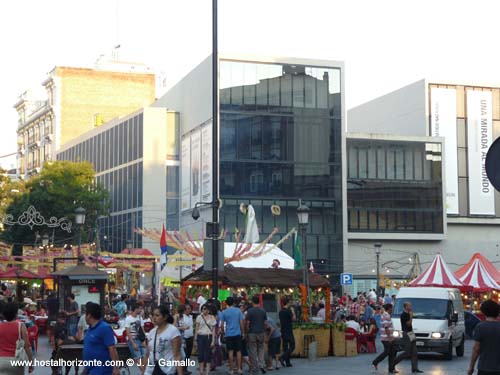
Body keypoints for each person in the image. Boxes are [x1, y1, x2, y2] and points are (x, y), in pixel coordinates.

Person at [144, 305, 183, 375]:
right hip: (150, 370)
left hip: (167, 371)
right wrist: (143, 372)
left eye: (157, 315)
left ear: (165, 317)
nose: (154, 318)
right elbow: (147, 354)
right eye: (153, 315)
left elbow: (177, 355)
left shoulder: (173, 332)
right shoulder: (151, 332)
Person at [83, 302, 120, 375]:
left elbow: (112, 348)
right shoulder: (89, 330)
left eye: (85, 314)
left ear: (89, 315)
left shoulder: (104, 328)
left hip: (101, 370)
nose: (84, 316)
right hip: (90, 369)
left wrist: (116, 368)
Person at [0, 303, 34, 375]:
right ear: (16, 314)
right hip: (17, 361)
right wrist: (31, 363)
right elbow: (27, 346)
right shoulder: (21, 326)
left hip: (1, 361)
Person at [468, 299, 500, 375]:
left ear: (484, 312)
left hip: (484, 367)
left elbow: (476, 349)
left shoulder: (480, 327)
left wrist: (471, 367)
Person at [394, 302, 422, 373]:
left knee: (414, 352)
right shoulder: (404, 315)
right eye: (409, 305)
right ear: (406, 306)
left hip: (411, 333)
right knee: (407, 352)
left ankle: (415, 368)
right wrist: (411, 316)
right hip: (406, 333)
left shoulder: (408, 313)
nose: (411, 307)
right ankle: (393, 363)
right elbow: (409, 324)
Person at [221, 297, 245, 375]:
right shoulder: (238, 311)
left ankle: (231, 370)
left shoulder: (224, 312)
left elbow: (221, 325)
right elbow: (241, 323)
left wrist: (223, 332)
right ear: (234, 303)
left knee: (230, 352)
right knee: (238, 351)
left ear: (227, 303)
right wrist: (243, 332)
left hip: (228, 334)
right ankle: (239, 369)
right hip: (237, 333)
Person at [372, 304, 397, 373]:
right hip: (386, 338)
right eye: (392, 308)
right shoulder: (386, 316)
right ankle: (375, 362)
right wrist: (390, 338)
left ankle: (391, 369)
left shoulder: (386, 315)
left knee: (392, 352)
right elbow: (386, 327)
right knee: (387, 352)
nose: (392, 310)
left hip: (387, 337)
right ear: (389, 308)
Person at [246, 295, 267, 374]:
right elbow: (265, 323)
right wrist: (263, 330)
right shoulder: (263, 311)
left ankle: (255, 367)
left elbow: (247, 323)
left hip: (252, 333)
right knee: (261, 349)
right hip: (261, 332)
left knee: (253, 351)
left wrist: (247, 331)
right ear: (259, 302)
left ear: (252, 302)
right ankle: (262, 365)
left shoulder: (250, 311)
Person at [195, 303, 216, 375]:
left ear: (208, 310)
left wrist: (213, 340)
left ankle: (207, 372)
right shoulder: (199, 317)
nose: (205, 310)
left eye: (206, 309)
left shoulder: (212, 317)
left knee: (208, 354)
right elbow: (196, 329)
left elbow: (213, 330)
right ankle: (201, 372)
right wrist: (195, 339)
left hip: (208, 336)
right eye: (203, 309)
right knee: (200, 354)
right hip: (200, 336)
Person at [125, 303, 146, 371]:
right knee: (138, 357)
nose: (140, 310)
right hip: (133, 339)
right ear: (135, 309)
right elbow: (128, 332)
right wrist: (133, 343)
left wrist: (144, 340)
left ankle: (144, 372)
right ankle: (144, 372)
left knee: (144, 356)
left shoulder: (140, 318)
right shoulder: (128, 319)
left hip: (140, 339)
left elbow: (142, 329)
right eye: (139, 308)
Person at [175, 304, 194, 375]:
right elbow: (176, 326)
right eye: (186, 309)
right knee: (183, 354)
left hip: (190, 336)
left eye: (189, 309)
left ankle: (185, 368)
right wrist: (183, 328)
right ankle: (181, 369)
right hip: (184, 337)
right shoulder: (181, 317)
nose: (187, 310)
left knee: (188, 354)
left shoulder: (191, 317)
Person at [279, 297, 295, 368]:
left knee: (285, 347)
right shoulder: (289, 311)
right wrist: (293, 311)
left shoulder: (280, 311)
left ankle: (288, 362)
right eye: (290, 302)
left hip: (283, 330)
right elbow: (294, 319)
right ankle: (282, 357)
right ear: (288, 302)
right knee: (292, 346)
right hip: (289, 330)